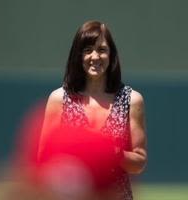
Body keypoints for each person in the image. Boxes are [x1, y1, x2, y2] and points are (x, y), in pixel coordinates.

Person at [38, 20, 147, 200]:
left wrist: (113, 152)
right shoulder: (59, 99)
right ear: (78, 56)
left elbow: (139, 162)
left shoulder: (131, 100)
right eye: (87, 50)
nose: (95, 57)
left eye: (102, 50)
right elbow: (43, 160)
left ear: (111, 55)